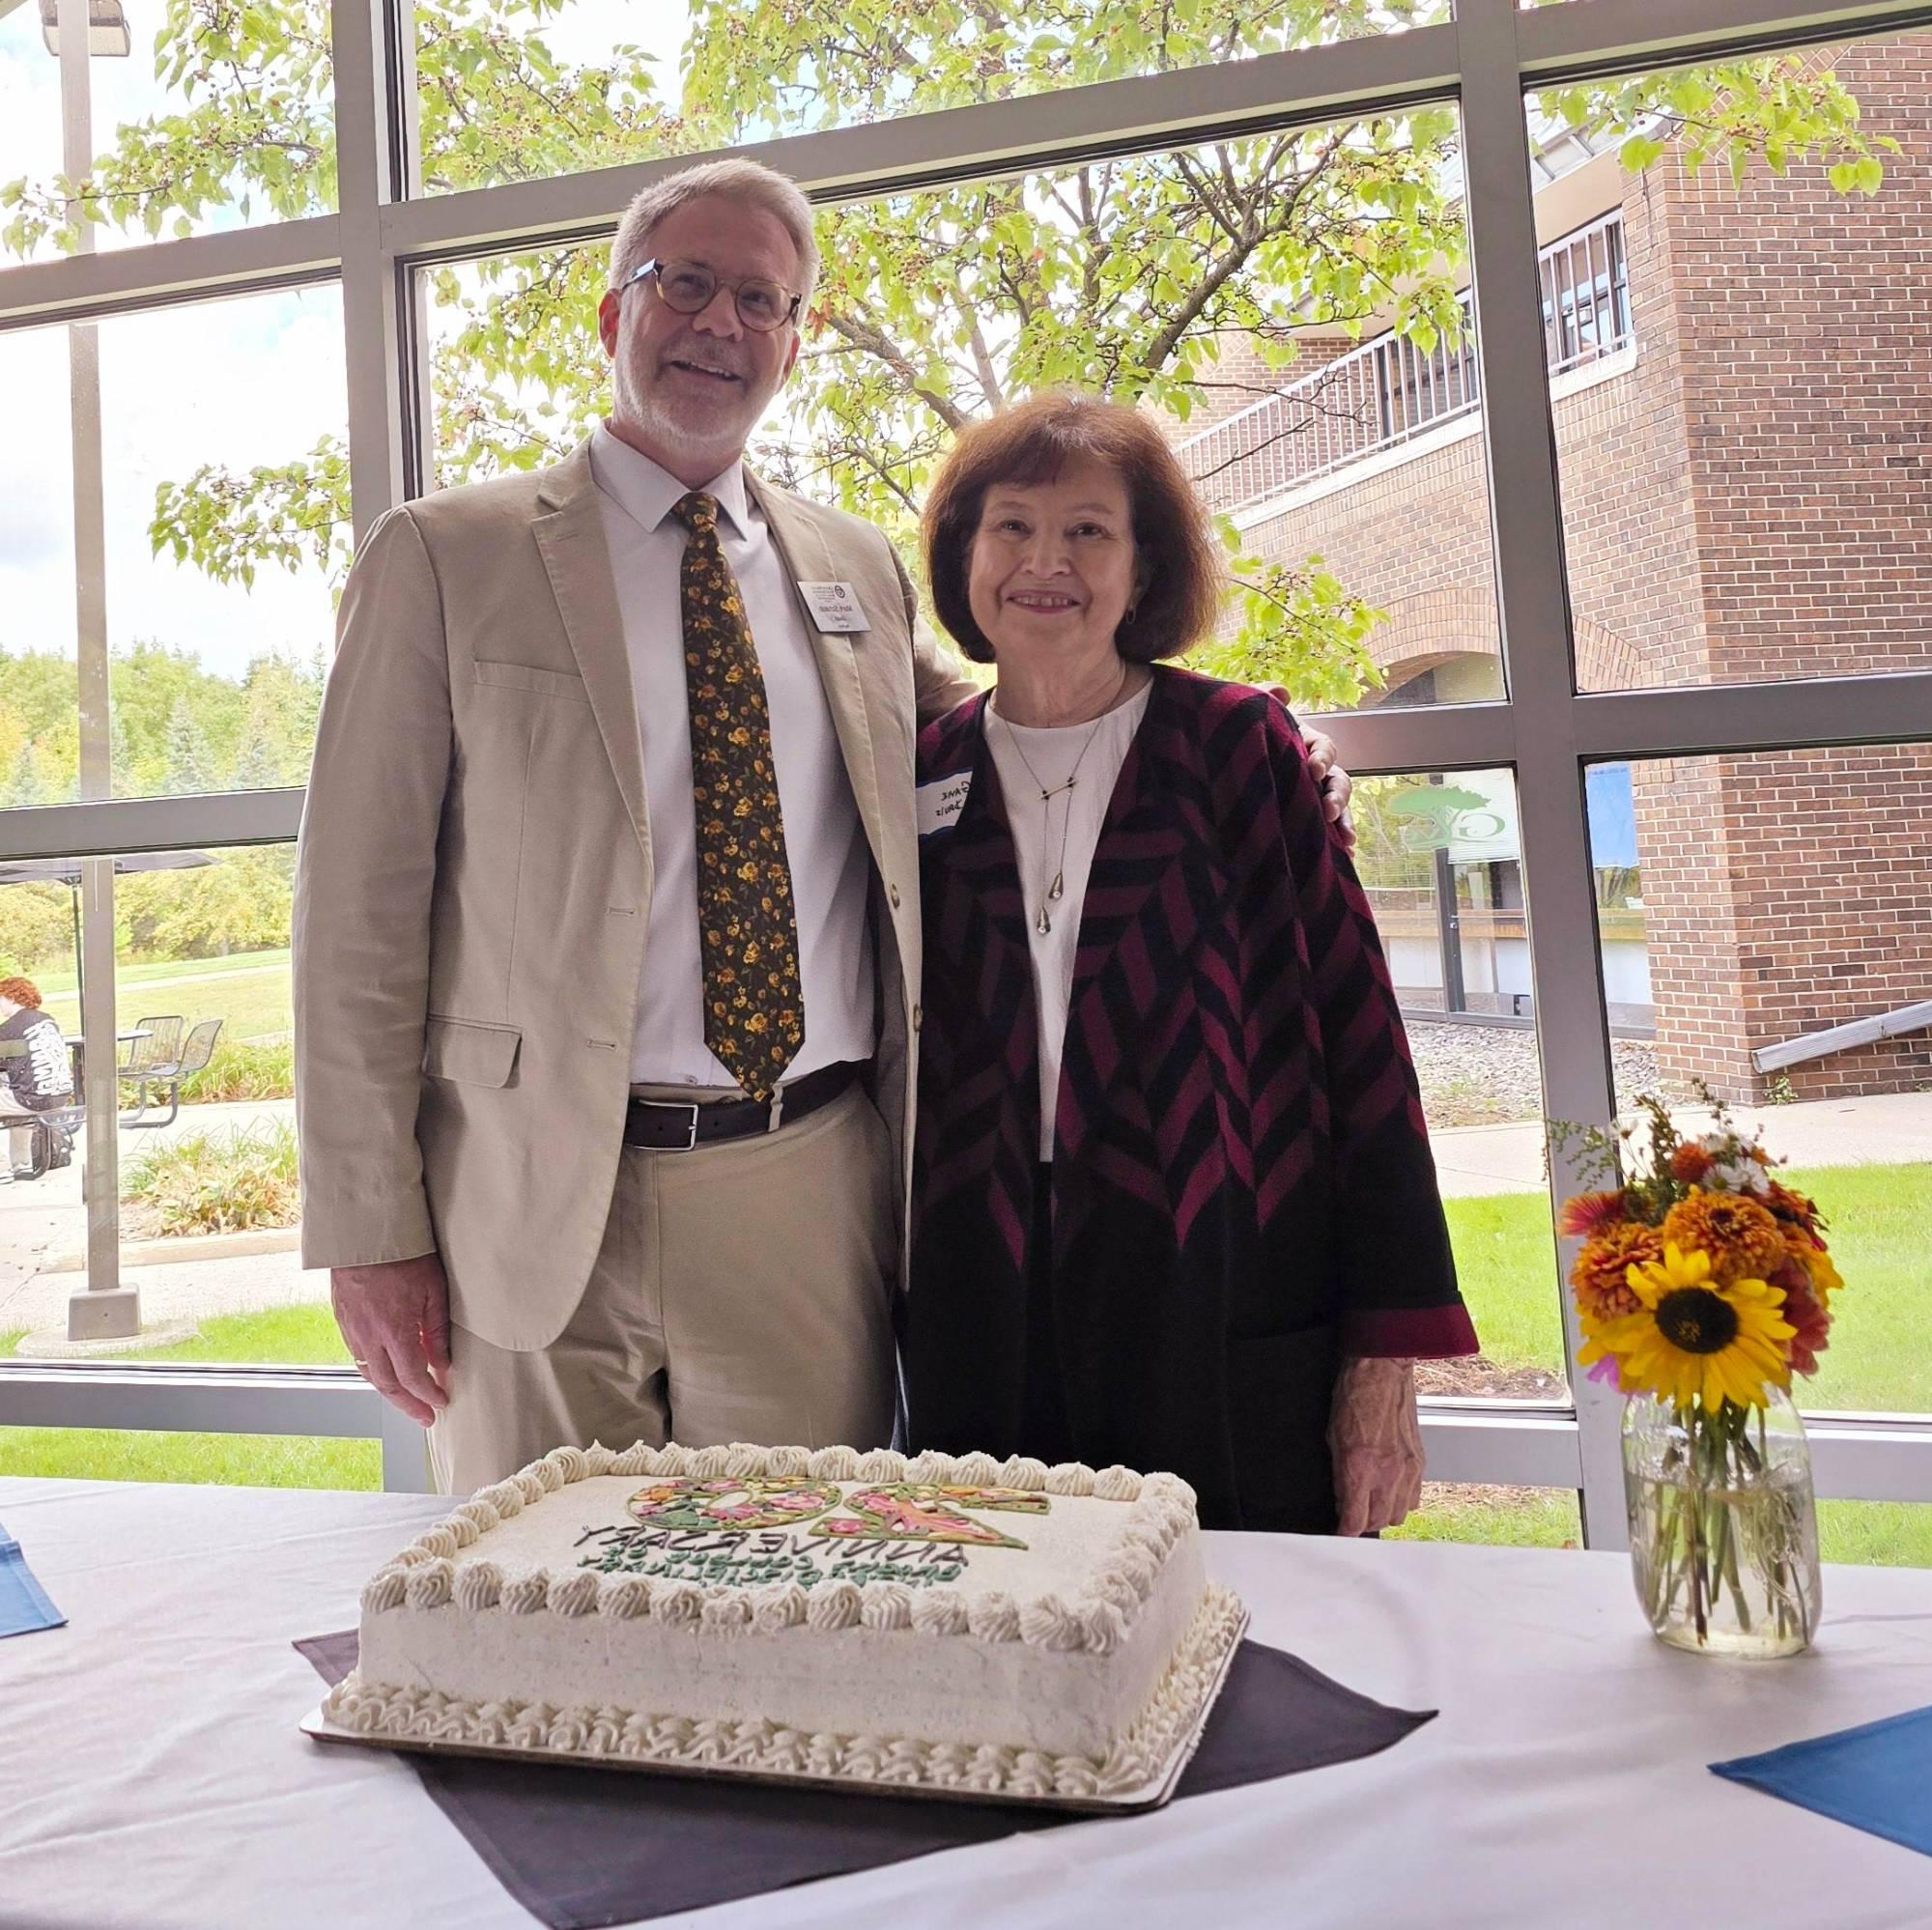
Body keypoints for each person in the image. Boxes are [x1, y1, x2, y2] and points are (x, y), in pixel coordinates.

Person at [295, 157, 1355, 1493]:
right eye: (685, 283)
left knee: (809, 1615)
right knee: (539, 1625)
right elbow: (355, 923)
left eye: (761, 299)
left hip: (806, 1182)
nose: (719, 324)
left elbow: (1007, 730)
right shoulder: (446, 556)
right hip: (531, 1192)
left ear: (795, 341)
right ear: (611, 313)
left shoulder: (853, 568)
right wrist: (368, 1230)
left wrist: (1256, 739)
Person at [905, 394, 1476, 1535]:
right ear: (964, 553)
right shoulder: (917, 773)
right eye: (1010, 526)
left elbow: (1360, 1048)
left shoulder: (1234, 748)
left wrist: (1381, 1362)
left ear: (1142, 564)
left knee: (1244, 1649)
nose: (1043, 562)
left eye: (1087, 531)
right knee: (1004, 1638)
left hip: (1219, 1290)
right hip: (982, 1303)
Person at [0, 978, 76, 1179]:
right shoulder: (47, 1020)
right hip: (59, 1097)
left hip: (33, 1100)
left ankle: (2, 1165)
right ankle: (21, 1164)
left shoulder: (9, 1029)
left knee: (14, 1097)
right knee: (15, 1093)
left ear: (12, 998)